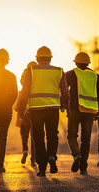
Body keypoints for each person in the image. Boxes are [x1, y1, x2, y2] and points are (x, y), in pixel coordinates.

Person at [17, 46, 69, 177]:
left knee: (38, 138)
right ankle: (51, 155)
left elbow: (24, 92)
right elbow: (65, 93)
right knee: (52, 135)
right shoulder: (59, 71)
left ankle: (41, 167)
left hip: (35, 110)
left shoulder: (31, 71)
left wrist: (21, 109)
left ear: (37, 58)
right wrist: (64, 105)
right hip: (53, 109)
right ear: (50, 59)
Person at [64, 52, 99, 175]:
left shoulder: (71, 74)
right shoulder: (95, 76)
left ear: (75, 62)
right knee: (86, 139)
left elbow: (64, 91)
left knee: (72, 136)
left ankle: (76, 155)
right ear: (88, 63)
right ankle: (83, 167)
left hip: (75, 110)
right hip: (90, 112)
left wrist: (65, 105)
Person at [14, 61, 37, 167]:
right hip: (35, 108)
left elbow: (22, 87)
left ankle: (24, 150)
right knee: (34, 136)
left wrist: (20, 109)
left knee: (24, 133)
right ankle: (33, 158)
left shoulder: (24, 74)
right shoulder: (38, 74)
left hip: (24, 109)